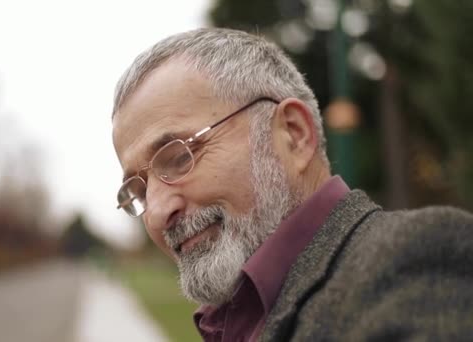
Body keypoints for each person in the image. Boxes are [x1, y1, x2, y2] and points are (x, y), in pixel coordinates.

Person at [110, 28, 473, 341]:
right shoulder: (233, 318)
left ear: (294, 135)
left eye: (178, 157)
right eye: (139, 191)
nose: (157, 213)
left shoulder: (413, 260)